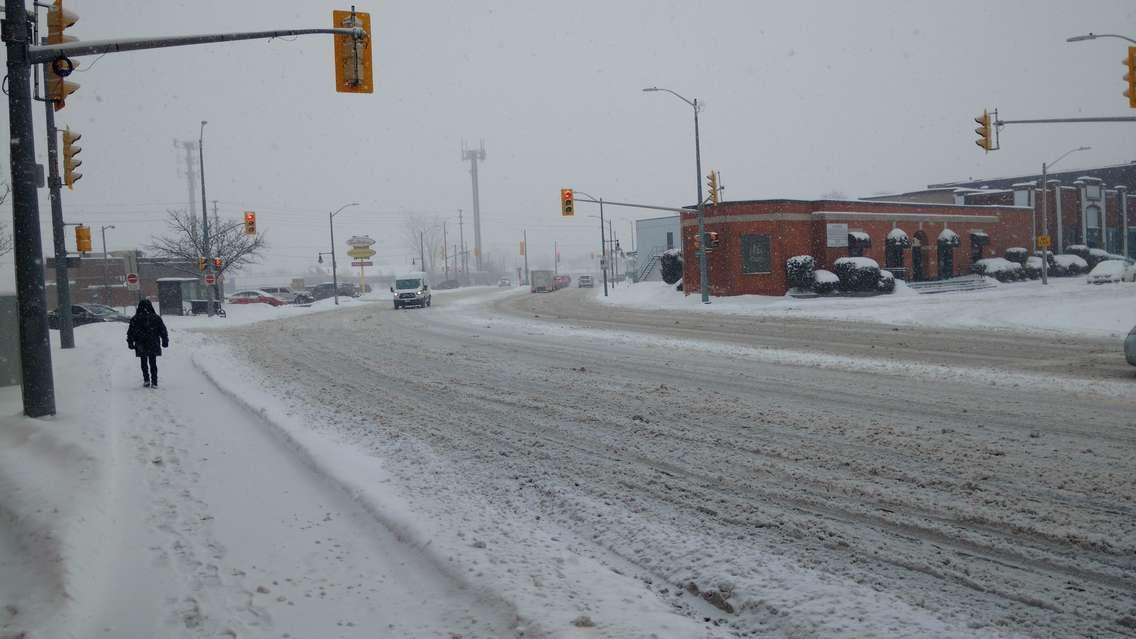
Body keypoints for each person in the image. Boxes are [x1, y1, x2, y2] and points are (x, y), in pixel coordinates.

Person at [126, 299, 169, 388]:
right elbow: (163, 330)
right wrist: (165, 341)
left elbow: (131, 332)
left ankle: (146, 380)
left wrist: (130, 342)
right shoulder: (156, 318)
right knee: (153, 362)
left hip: (141, 343)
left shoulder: (135, 318)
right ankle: (154, 381)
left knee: (143, 362)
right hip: (153, 342)